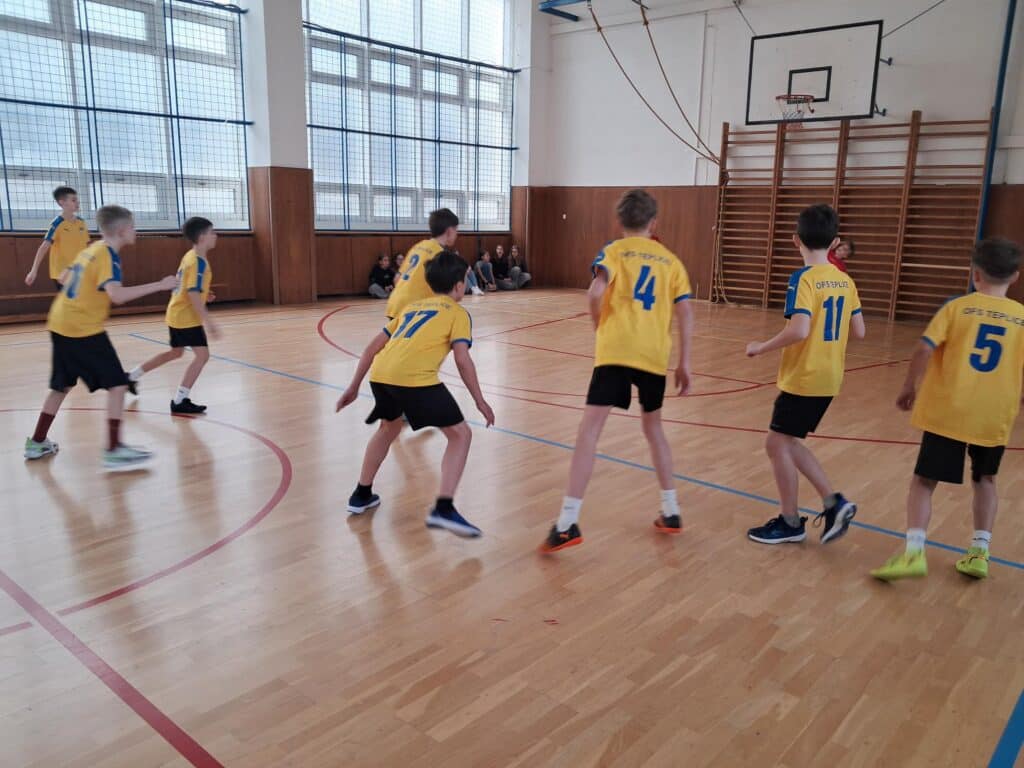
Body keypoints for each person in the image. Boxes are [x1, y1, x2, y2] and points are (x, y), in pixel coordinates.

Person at [540, 189, 693, 553]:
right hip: (653, 355)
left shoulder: (613, 251)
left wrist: (599, 325)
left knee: (589, 431)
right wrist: (685, 362)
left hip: (616, 350)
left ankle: (567, 522)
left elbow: (595, 293)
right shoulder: (671, 261)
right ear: (654, 222)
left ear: (619, 221)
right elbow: (686, 312)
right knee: (654, 430)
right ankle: (671, 511)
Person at [871, 238, 1024, 582]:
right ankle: (980, 553)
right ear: (1015, 277)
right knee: (986, 479)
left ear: (975, 274)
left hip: (949, 412)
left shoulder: (957, 308)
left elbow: (924, 348)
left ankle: (913, 554)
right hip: (994, 415)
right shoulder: (1021, 317)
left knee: (924, 482)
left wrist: (909, 386)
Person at [336, 250, 495, 537]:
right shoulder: (458, 313)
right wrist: (480, 401)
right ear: (459, 285)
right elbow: (462, 359)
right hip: (414, 379)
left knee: (388, 428)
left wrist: (354, 386)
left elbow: (372, 348)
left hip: (381, 375)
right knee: (461, 435)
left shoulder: (412, 308)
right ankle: (444, 509)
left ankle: (361, 494)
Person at [744, 203, 865, 546]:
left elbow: (798, 330)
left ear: (795, 239)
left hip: (805, 376)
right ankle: (831, 503)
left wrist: (761, 347)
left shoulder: (803, 279)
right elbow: (859, 331)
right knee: (786, 442)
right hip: (829, 376)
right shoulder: (845, 280)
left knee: (776, 443)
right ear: (835, 242)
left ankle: (791, 521)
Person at [23, 205, 179, 470]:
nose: (135, 231)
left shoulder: (91, 250)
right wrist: (160, 285)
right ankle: (114, 450)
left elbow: (64, 276)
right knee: (118, 385)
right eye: (133, 226)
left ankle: (37, 442)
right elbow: (117, 296)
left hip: (60, 323)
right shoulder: (108, 255)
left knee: (61, 386)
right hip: (82, 329)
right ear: (121, 230)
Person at [126, 217, 221, 415]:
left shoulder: (191, 256)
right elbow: (193, 293)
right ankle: (179, 400)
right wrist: (209, 321)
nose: (215, 235)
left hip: (177, 313)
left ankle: (131, 377)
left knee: (176, 352)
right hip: (186, 318)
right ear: (202, 237)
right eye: (212, 232)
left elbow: (188, 286)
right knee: (202, 356)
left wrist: (206, 294)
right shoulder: (198, 261)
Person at [386, 209, 459, 319]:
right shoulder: (441, 254)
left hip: (395, 304)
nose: (457, 234)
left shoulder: (418, 246)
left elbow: (397, 279)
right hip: (413, 309)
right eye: (456, 230)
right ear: (449, 231)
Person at [25, 186, 90, 290]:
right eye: (73, 200)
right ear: (62, 203)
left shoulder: (81, 222)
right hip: (62, 273)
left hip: (80, 271)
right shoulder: (57, 224)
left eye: (77, 200)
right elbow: (43, 247)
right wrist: (33, 271)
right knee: (73, 299)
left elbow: (86, 247)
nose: (77, 202)